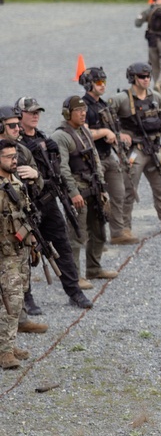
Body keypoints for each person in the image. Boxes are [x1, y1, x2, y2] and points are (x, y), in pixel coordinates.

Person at [14, 97, 92, 310]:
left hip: (48, 202)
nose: (35, 115)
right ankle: (26, 299)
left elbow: (55, 171)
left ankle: (74, 291)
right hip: (29, 206)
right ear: (19, 115)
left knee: (63, 246)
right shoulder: (15, 144)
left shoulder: (43, 138)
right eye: (30, 112)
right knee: (26, 254)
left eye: (37, 111)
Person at [109, 62, 161, 237]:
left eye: (148, 76)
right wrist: (119, 134)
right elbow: (106, 116)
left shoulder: (156, 97)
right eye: (141, 77)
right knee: (129, 189)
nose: (146, 80)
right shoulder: (121, 99)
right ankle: (124, 228)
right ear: (133, 78)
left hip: (154, 148)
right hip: (135, 151)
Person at [52, 96, 116, 291]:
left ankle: (94, 268)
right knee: (76, 236)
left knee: (99, 231)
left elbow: (95, 159)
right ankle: (74, 276)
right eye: (78, 110)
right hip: (78, 192)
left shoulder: (84, 131)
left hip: (94, 189)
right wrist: (72, 192)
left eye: (84, 109)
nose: (83, 113)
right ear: (67, 113)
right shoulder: (61, 136)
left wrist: (102, 187)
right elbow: (62, 168)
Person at [0, 106, 49, 334]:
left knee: (18, 282)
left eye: (18, 125)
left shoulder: (21, 151)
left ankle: (18, 323)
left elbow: (36, 189)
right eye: (12, 125)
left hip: (19, 225)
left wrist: (36, 176)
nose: (17, 129)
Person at [79, 67, 139, 246]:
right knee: (95, 200)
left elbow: (113, 127)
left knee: (118, 193)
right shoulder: (83, 107)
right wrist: (104, 131)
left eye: (104, 82)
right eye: (98, 82)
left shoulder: (103, 104)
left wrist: (120, 136)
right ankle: (91, 239)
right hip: (91, 160)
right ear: (89, 84)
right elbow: (83, 131)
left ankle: (118, 232)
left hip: (108, 155)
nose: (102, 85)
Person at [0, 139, 39, 368]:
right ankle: (5, 353)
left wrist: (32, 242)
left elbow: (26, 215)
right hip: (4, 253)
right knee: (11, 301)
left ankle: (7, 342)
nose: (14, 160)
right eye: (8, 157)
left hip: (20, 249)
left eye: (15, 156)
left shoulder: (16, 181)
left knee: (18, 295)